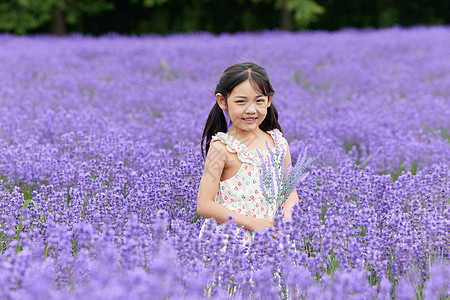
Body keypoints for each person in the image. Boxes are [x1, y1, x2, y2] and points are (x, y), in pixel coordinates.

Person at [196, 62, 299, 243]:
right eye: (241, 101)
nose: (251, 110)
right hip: (231, 240)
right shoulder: (222, 148)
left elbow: (290, 193)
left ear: (269, 100)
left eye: (259, 101)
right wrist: (252, 223)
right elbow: (204, 205)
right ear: (222, 101)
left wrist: (286, 217)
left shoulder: (279, 143)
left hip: (271, 237)